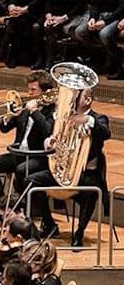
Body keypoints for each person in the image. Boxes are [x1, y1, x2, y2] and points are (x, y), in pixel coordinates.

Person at [27, 92, 110, 244]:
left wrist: (88, 120)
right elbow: (50, 136)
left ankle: (79, 233)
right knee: (30, 181)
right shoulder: (64, 118)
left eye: (76, 97)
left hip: (87, 174)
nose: (71, 99)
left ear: (88, 100)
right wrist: (50, 142)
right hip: (63, 171)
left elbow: (106, 133)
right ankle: (49, 223)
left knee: (91, 193)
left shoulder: (98, 118)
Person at [0, 71, 57, 220]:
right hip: (19, 153)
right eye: (28, 89)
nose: (29, 93)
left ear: (45, 91)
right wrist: (9, 116)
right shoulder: (23, 106)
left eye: (33, 90)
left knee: (20, 170)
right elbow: (4, 129)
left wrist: (35, 112)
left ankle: (21, 210)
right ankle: (2, 208)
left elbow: (48, 132)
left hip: (39, 157)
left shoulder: (53, 111)